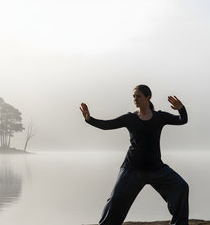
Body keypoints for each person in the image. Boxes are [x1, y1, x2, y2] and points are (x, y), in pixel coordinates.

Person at [79, 84, 189, 225]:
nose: (135, 99)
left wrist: (181, 109)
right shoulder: (129, 118)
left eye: (138, 96)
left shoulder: (159, 117)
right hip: (132, 169)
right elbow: (107, 125)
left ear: (148, 97)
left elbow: (182, 120)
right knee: (115, 200)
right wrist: (89, 119)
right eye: (133, 96)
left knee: (181, 187)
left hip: (156, 168)